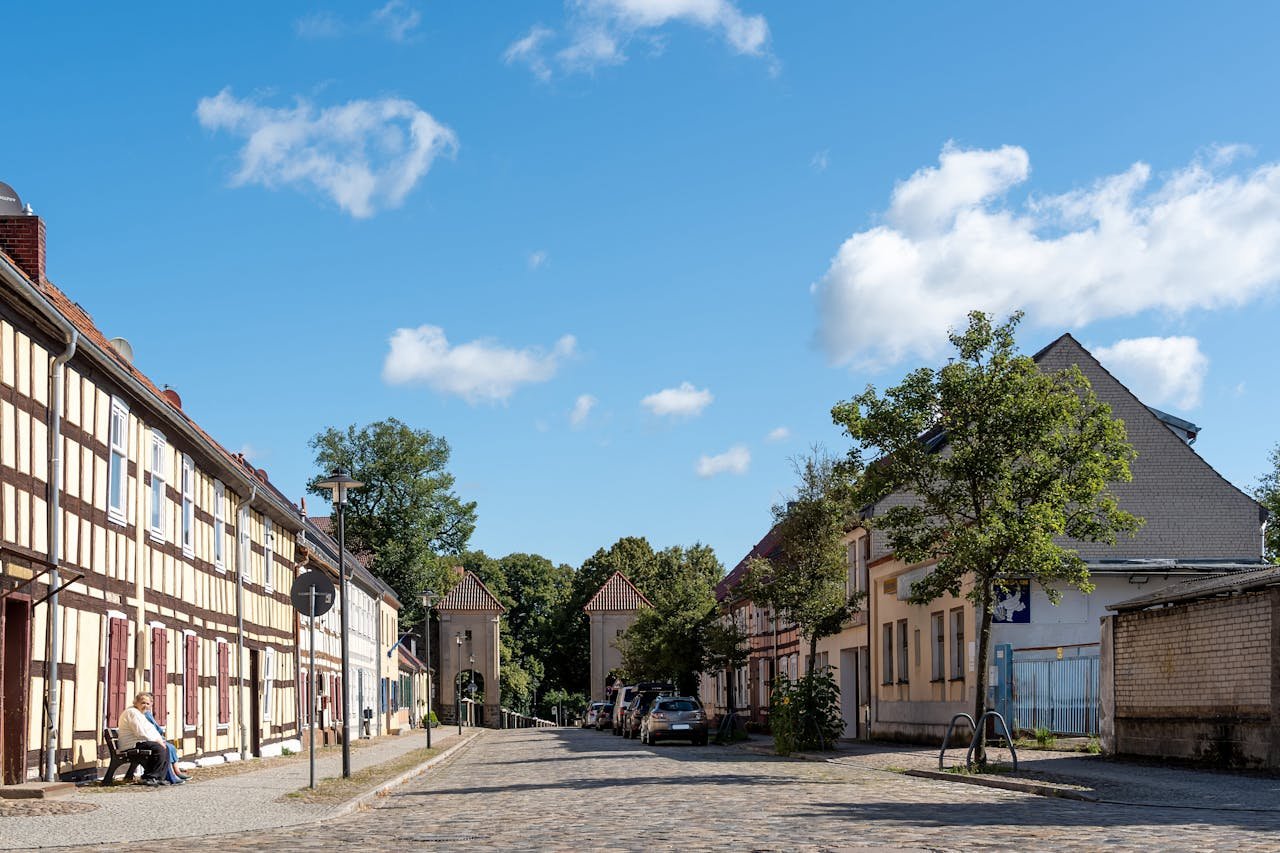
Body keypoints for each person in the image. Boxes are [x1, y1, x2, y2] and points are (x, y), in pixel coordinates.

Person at [116, 692, 173, 786]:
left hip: (140, 742)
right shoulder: (132, 712)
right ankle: (149, 777)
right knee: (158, 749)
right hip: (132, 744)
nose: (145, 706)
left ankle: (159, 777)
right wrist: (157, 741)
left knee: (165, 748)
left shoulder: (140, 714)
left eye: (148, 704)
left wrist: (160, 740)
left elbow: (151, 731)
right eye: (143, 703)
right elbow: (140, 733)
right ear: (136, 702)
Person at [143, 706, 190, 784]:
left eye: (149, 703)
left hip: (155, 738)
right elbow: (153, 729)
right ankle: (171, 774)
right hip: (150, 739)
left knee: (171, 747)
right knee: (167, 747)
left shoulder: (148, 713)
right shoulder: (143, 714)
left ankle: (176, 771)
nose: (147, 705)